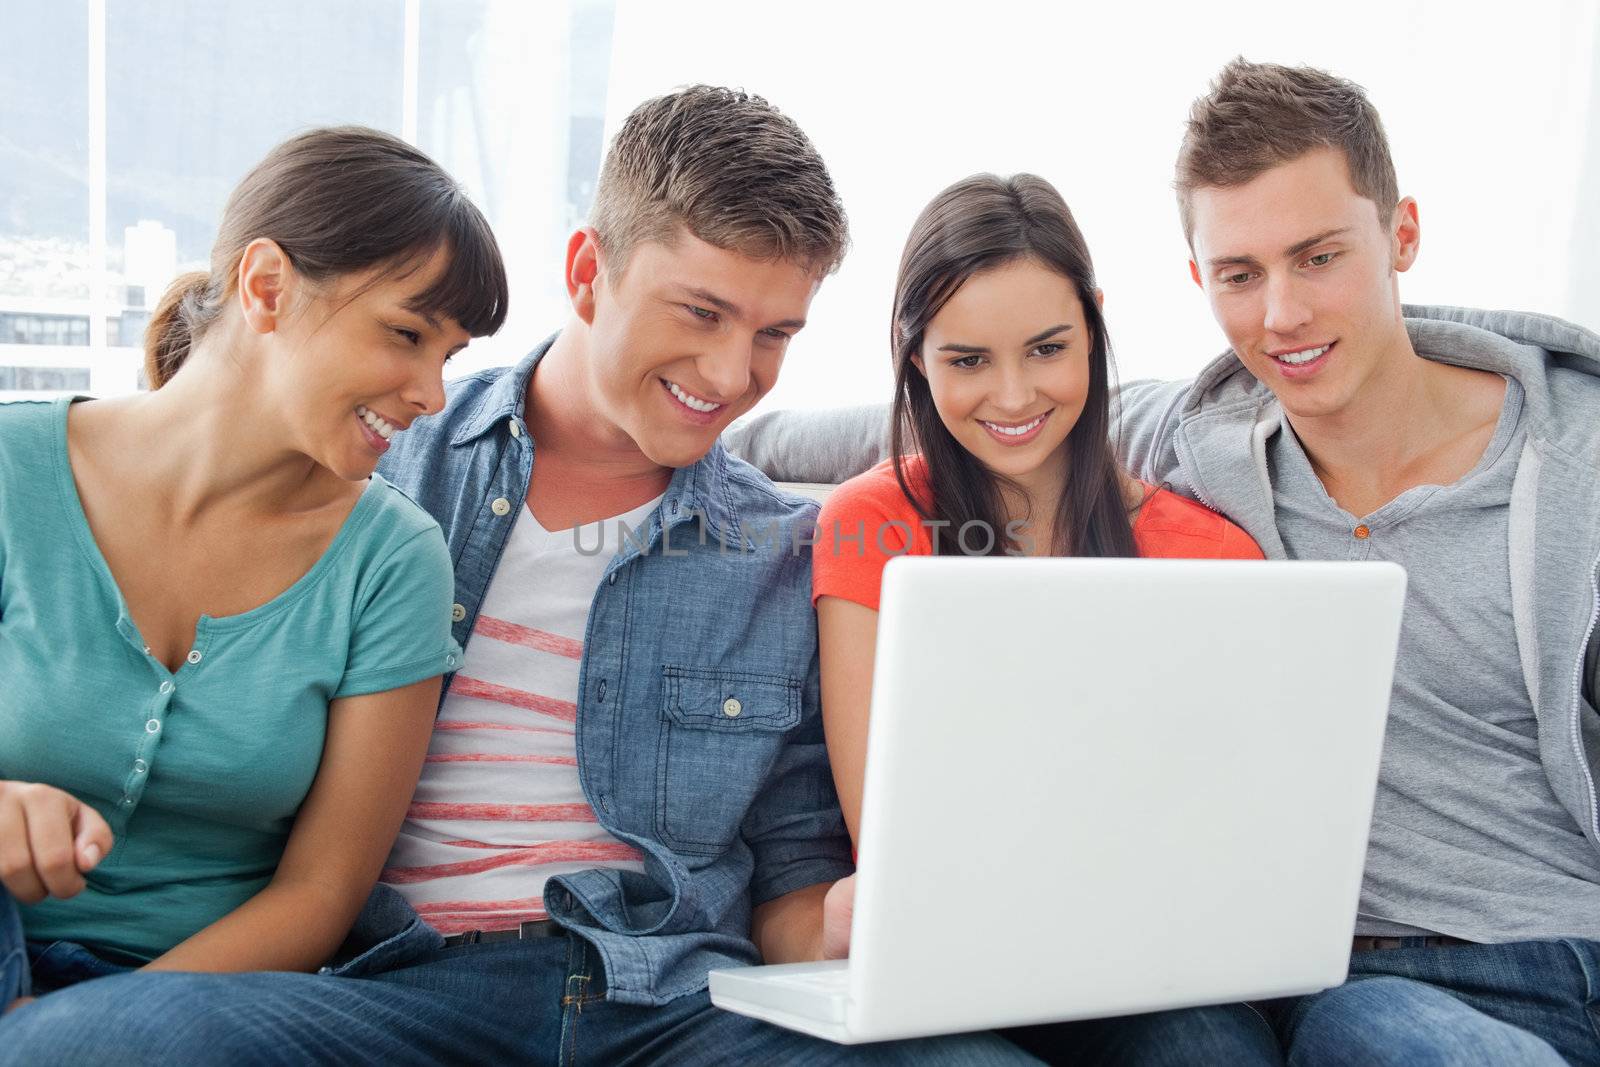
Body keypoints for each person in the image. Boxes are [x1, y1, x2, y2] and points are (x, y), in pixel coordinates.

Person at [0, 88, 1041, 1066]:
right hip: (398, 990)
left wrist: (846, 918)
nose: (731, 375)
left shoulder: (778, 553)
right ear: (588, 271)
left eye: (775, 334)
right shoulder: (381, 455)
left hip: (673, 1002)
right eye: (700, 313)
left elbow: (788, 865)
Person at [728, 59, 1600, 1067]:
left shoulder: (1553, 464)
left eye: (1318, 256)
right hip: (1359, 982)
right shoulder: (1206, 442)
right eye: (1239, 274)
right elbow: (943, 417)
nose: (1281, 315)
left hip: (1539, 931)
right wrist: (709, 424)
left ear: (1401, 235)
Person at [0, 127, 505, 1016]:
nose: (433, 394)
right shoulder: (12, 472)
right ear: (266, 286)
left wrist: (82, 1031)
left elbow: (320, 894)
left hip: (195, 1006)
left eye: (451, 356)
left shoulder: (392, 561)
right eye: (406, 332)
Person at [811, 173, 1263, 862]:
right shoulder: (871, 525)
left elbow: (1226, 823)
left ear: (1092, 327)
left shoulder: (1212, 554)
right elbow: (890, 842)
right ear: (916, 361)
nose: (1015, 396)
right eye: (968, 360)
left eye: (1047, 349)